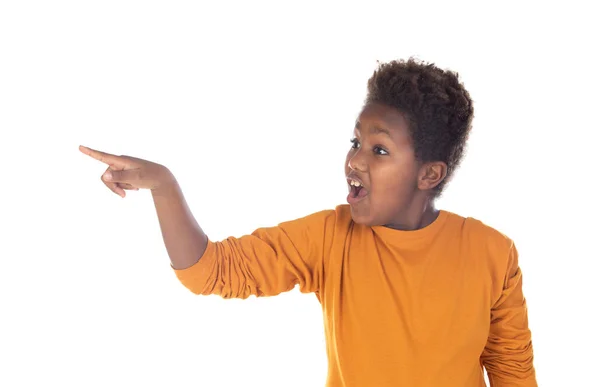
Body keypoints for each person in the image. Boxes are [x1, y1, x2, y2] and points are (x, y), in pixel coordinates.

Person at [80, 58, 537, 386]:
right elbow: (211, 271)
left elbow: (512, 371)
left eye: (379, 150)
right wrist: (164, 185)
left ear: (429, 173)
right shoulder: (330, 237)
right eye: (355, 142)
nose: (354, 161)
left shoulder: (492, 252)